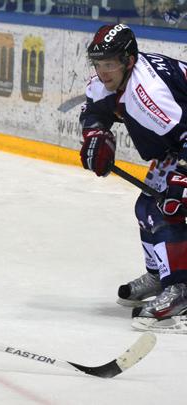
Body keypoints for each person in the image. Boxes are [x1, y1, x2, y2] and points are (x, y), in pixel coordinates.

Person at [79, 23, 187, 332]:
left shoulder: (147, 95)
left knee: (167, 208)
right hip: (179, 143)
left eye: (110, 63)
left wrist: (183, 178)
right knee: (146, 207)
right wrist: (96, 134)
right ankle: (162, 275)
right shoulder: (112, 80)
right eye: (98, 63)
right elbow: (94, 110)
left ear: (129, 60)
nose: (103, 71)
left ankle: (180, 290)